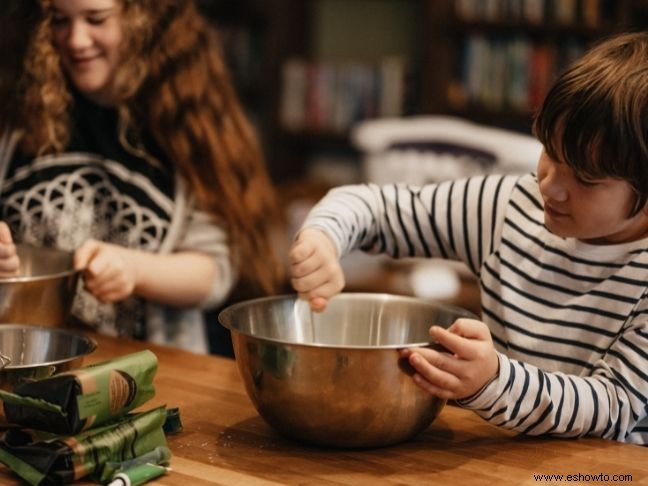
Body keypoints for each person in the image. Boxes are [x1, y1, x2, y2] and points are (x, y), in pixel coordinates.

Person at [289, 32, 648, 444]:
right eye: (550, 151)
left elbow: (614, 407)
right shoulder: (507, 207)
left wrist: (494, 380)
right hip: (502, 462)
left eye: (585, 179)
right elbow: (374, 207)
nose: (550, 187)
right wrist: (323, 238)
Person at [0, 0, 284, 354]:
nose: (75, 40)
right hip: (23, 358)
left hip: (149, 372)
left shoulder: (186, 123)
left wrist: (133, 270)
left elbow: (214, 274)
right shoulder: (18, 115)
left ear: (142, 19)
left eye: (96, 19)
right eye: (59, 21)